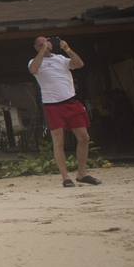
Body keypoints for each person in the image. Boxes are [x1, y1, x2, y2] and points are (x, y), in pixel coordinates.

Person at [29, 37, 100, 188]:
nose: (46, 45)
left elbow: (79, 64)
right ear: (36, 47)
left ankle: (82, 173)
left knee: (84, 137)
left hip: (70, 101)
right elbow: (33, 69)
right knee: (58, 141)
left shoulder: (60, 58)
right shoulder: (34, 61)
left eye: (47, 42)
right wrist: (42, 50)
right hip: (52, 105)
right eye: (41, 43)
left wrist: (67, 48)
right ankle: (65, 177)